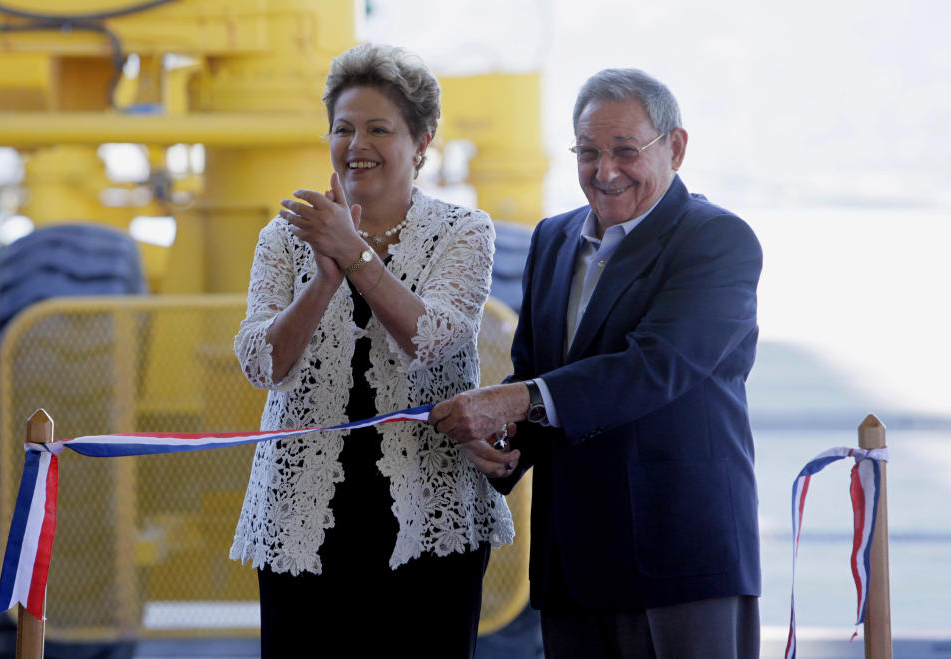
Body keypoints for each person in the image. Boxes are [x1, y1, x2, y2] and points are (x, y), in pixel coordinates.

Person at [430, 68, 763, 658]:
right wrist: (505, 445)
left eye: (625, 151)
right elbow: (534, 368)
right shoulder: (553, 240)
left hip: (677, 562)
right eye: (588, 152)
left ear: (676, 147)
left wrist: (512, 402)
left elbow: (655, 368)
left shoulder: (717, 241)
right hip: (571, 567)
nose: (605, 171)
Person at [230, 43, 514, 658]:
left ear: (422, 142)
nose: (357, 143)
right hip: (302, 514)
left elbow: (434, 340)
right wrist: (323, 279)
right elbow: (261, 363)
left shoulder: (464, 232)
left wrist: (353, 255)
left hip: (428, 511)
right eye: (343, 128)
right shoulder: (285, 235)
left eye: (379, 129)